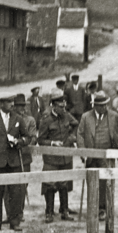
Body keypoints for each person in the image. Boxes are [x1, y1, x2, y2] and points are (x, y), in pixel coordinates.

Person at [0, 93, 29, 232]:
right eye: (9, 102)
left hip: (13, 162)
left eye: (12, 102)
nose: (12, 104)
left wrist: (18, 142)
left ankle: (14, 222)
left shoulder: (18, 119)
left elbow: (27, 137)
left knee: (15, 193)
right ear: (1, 104)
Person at [76, 90, 118, 224]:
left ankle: (102, 209)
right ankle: (92, 208)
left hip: (106, 156)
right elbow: (79, 134)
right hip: (91, 156)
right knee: (92, 182)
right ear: (95, 106)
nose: (104, 107)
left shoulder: (113, 116)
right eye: (102, 105)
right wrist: (83, 152)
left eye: (106, 105)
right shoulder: (86, 117)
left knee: (104, 183)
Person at [37, 90, 79, 223]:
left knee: (64, 184)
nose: (63, 109)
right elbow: (40, 140)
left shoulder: (66, 116)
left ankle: (64, 211)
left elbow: (75, 123)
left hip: (65, 157)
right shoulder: (46, 119)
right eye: (60, 106)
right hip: (51, 159)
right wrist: (52, 143)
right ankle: (49, 212)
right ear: (53, 106)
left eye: (64, 106)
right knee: (50, 184)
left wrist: (71, 138)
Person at [13, 94, 38, 214]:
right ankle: (12, 213)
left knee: (23, 186)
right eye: (19, 106)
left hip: (25, 157)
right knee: (11, 187)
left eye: (23, 105)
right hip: (12, 157)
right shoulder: (10, 119)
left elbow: (33, 138)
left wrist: (24, 143)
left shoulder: (30, 120)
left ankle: (19, 211)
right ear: (14, 107)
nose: (22, 108)